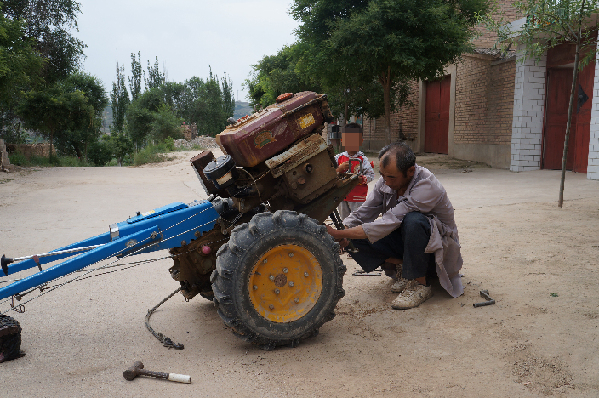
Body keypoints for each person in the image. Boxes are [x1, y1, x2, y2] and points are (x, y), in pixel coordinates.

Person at [326, 142, 463, 310]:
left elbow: (389, 221)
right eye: (382, 175)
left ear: (410, 171)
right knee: (350, 239)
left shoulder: (427, 185)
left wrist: (337, 233)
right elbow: (364, 212)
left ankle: (420, 284)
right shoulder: (385, 182)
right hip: (408, 244)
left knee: (414, 220)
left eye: (391, 177)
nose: (386, 181)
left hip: (435, 252)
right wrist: (342, 230)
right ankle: (405, 268)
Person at [334, 123, 375, 220]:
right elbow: (330, 174)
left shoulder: (363, 159)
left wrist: (362, 179)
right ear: (342, 141)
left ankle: (356, 234)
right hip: (342, 196)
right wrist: (339, 169)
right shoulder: (338, 158)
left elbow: (371, 175)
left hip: (358, 197)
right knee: (345, 220)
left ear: (360, 141)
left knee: (357, 220)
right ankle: (346, 235)